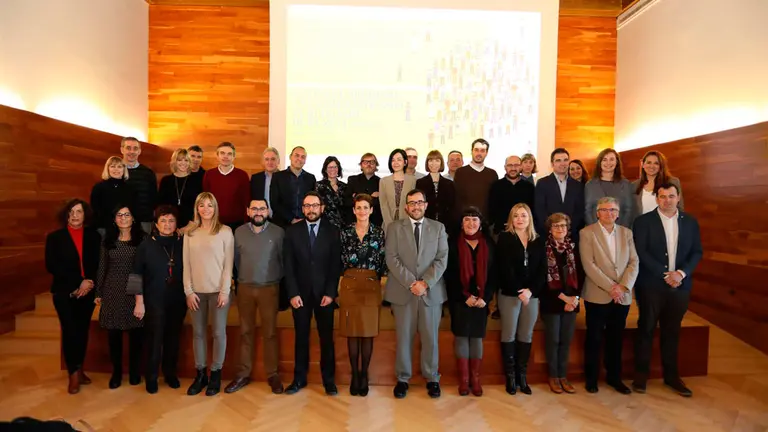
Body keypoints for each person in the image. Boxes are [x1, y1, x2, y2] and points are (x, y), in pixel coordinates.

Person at [632, 183, 702, 397]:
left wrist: (680, 274)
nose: (667, 200)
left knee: (672, 331)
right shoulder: (643, 222)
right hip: (651, 284)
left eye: (671, 196)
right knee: (646, 328)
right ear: (656, 199)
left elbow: (696, 252)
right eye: (662, 197)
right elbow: (640, 251)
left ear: (678, 197)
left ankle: (671, 377)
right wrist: (665, 274)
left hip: (680, 285)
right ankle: (640, 377)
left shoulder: (690, 222)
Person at [385, 189, 449, 399]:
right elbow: (391, 258)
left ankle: (432, 378)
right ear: (406, 206)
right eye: (412, 203)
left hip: (430, 293)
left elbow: (442, 259)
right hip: (404, 291)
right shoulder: (394, 228)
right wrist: (412, 282)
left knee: (431, 338)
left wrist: (425, 283)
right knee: (404, 337)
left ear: (426, 205)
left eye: (420, 202)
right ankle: (403, 378)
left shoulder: (438, 228)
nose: (416, 206)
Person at [283, 191, 342, 396]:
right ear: (303, 209)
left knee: (327, 339)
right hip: (300, 295)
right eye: (307, 206)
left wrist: (331, 293)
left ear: (322, 208)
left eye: (314, 205)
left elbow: (335, 266)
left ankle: (329, 381)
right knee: (301, 338)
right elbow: (288, 266)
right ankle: (299, 379)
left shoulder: (333, 231)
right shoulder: (292, 232)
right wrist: (292, 293)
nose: (311, 209)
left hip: (325, 296)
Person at [225, 199, 285, 395]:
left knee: (270, 333)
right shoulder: (239, 232)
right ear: (248, 211)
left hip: (270, 289)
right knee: (245, 332)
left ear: (268, 211)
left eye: (262, 208)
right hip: (245, 288)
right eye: (254, 209)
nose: (258, 212)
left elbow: (283, 261)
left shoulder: (278, 232)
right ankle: (243, 374)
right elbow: (234, 261)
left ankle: (273, 374)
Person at [580, 197, 639, 395]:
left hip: (622, 296)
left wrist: (623, 287)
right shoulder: (586, 233)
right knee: (594, 337)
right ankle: (591, 378)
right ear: (597, 213)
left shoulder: (627, 233)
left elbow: (634, 262)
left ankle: (614, 377)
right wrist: (611, 287)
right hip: (598, 295)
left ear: (619, 213)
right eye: (604, 210)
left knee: (616, 338)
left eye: (613, 210)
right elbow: (589, 265)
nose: (609, 213)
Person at [127, 206, 187, 394]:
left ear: (176, 224)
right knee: (154, 339)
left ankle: (170, 373)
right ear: (156, 224)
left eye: (171, 221)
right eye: (163, 221)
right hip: (154, 300)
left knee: (173, 339)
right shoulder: (146, 245)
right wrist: (139, 302)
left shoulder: (182, 243)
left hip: (177, 299)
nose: (167, 225)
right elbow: (136, 275)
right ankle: (151, 377)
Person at [45, 199, 101, 394]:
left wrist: (89, 282)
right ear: (66, 215)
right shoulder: (54, 238)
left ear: (85, 215)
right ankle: (73, 374)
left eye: (79, 212)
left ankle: (80, 368)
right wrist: (79, 281)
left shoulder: (94, 236)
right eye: (71, 212)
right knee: (70, 332)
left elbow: (98, 264)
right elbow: (52, 266)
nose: (75, 215)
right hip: (64, 292)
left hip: (87, 291)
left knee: (82, 331)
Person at [183, 192, 235, 397]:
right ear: (197, 208)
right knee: (198, 333)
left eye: (210, 205)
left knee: (218, 333)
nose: (206, 209)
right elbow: (186, 265)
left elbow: (228, 265)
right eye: (202, 205)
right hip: (196, 294)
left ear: (215, 208)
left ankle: (215, 374)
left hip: (217, 293)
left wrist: (225, 291)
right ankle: (200, 374)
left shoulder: (225, 232)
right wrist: (188, 291)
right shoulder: (190, 233)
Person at [339, 194, 387, 397]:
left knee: (367, 332)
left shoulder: (378, 232)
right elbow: (338, 259)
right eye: (358, 207)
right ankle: (354, 376)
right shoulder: (345, 232)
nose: (362, 211)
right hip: (349, 283)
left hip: (370, 284)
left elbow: (383, 260)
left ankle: (364, 374)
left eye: (365, 207)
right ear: (353, 210)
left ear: (371, 210)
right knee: (352, 332)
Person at [445, 207, 496, 397]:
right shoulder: (452, 244)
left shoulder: (489, 244)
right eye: (467, 220)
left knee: (476, 339)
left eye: (475, 220)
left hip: (482, 301)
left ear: (480, 223)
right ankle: (464, 380)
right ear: (461, 223)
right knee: (461, 337)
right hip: (460, 300)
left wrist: (486, 297)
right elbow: (449, 275)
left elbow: (494, 275)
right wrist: (464, 296)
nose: (471, 223)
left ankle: (476, 379)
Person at [495, 203, 546, 395]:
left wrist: (530, 291)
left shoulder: (538, 240)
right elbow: (504, 268)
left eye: (523, 215)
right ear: (511, 219)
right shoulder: (504, 238)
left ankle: (521, 376)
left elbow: (542, 269)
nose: (520, 219)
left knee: (526, 335)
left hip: (531, 296)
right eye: (516, 216)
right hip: (510, 294)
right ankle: (510, 377)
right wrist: (520, 290)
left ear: (529, 218)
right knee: (509, 334)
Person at [94, 205, 146, 389]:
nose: (123, 218)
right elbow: (102, 267)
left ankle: (134, 372)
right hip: (112, 289)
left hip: (135, 289)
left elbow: (142, 269)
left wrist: (140, 295)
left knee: (136, 334)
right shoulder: (107, 240)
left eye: (127, 214)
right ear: (114, 219)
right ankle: (116, 373)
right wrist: (99, 292)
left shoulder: (142, 240)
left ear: (134, 218)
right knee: (114, 334)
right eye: (119, 215)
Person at [540, 213, 582, 394]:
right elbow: (542, 279)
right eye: (556, 226)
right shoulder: (543, 249)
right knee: (553, 340)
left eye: (563, 226)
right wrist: (564, 298)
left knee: (566, 340)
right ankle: (554, 376)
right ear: (550, 229)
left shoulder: (574, 248)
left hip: (572, 302)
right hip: (552, 302)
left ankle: (564, 376)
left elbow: (582, 275)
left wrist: (575, 299)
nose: (560, 229)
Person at [534, 148, 585, 241]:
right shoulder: (542, 183)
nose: (562, 163)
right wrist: (553, 229)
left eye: (565, 160)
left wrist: (567, 229)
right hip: (548, 236)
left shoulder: (578, 186)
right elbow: (539, 210)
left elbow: (579, 211)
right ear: (552, 164)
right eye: (558, 160)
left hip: (571, 235)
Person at [202, 142, 250, 232]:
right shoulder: (209, 174)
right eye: (222, 153)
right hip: (215, 222)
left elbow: (246, 200)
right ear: (217, 156)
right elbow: (205, 199)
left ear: (234, 157)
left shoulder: (242, 175)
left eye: (229, 154)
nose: (225, 156)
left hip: (237, 223)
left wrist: (246, 222)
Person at [585, 148, 634, 228]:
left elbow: (628, 210)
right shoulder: (590, 185)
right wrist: (595, 230)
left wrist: (620, 230)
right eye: (604, 159)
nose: (608, 163)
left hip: (619, 231)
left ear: (617, 162)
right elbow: (587, 210)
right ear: (599, 162)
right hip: (595, 232)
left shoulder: (626, 184)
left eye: (611, 159)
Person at [453, 139, 498, 223]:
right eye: (476, 150)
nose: (479, 153)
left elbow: (494, 201)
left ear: (486, 153)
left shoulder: (492, 174)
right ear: (472, 151)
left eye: (482, 151)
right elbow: (457, 200)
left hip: (486, 223)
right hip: (465, 223)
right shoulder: (460, 172)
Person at [488, 155, 535, 236]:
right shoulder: (496, 186)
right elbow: (492, 210)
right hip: (501, 232)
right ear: (505, 167)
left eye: (516, 165)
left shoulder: (529, 187)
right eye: (510, 165)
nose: (513, 168)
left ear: (521, 167)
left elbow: (532, 210)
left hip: (523, 232)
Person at [158, 148, 203, 232]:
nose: (183, 163)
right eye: (179, 160)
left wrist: (191, 225)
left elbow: (200, 205)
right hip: (169, 226)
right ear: (174, 161)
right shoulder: (166, 181)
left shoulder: (196, 181)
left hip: (192, 226)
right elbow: (161, 206)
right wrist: (170, 224)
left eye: (186, 160)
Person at [270, 146, 317, 227]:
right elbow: (274, 202)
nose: (299, 159)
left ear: (305, 160)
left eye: (303, 157)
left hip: (305, 224)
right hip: (282, 224)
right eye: (296, 155)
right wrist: (291, 219)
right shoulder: (277, 177)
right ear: (290, 157)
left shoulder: (310, 178)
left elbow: (312, 202)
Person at [90, 156, 135, 237]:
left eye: (119, 166)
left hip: (124, 228)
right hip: (103, 228)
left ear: (124, 169)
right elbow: (95, 209)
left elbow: (133, 209)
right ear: (107, 169)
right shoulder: (98, 187)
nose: (116, 169)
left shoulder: (130, 188)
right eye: (112, 166)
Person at [121, 137, 157, 234]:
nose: (132, 151)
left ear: (139, 151)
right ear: (122, 150)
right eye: (128, 148)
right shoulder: (115, 171)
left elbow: (154, 198)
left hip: (144, 222)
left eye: (135, 148)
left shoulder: (148, 173)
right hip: (120, 221)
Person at [631, 150, 684, 215]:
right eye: (649, 162)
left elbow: (680, 207)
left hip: (666, 223)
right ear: (643, 165)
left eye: (656, 163)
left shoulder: (673, 182)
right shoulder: (634, 185)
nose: (652, 166)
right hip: (642, 224)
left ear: (661, 166)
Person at [379, 148, 416, 231]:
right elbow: (383, 205)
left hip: (407, 224)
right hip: (388, 224)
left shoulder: (412, 180)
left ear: (405, 162)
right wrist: (390, 224)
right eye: (393, 160)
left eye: (399, 160)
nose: (396, 163)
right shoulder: (383, 181)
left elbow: (412, 203)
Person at [415, 150, 456, 226]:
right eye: (430, 160)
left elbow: (452, 207)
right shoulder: (420, 183)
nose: (434, 164)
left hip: (445, 224)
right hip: (426, 224)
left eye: (437, 160)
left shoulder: (449, 183)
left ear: (441, 163)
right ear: (427, 163)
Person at [344, 153, 383, 226]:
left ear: (376, 165)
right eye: (365, 162)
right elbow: (347, 202)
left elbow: (381, 204)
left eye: (372, 162)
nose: (369, 165)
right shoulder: (353, 180)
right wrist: (371, 197)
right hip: (354, 223)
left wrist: (357, 197)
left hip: (375, 224)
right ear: (361, 165)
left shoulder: (381, 182)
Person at [315, 156, 348, 230]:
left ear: (338, 169)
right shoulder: (318, 186)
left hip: (343, 226)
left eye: (335, 167)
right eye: (330, 167)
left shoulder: (345, 187)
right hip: (325, 226)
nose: (332, 169)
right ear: (325, 170)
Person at [250, 147, 281, 214]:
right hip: (260, 218)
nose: (270, 162)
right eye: (267, 159)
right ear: (263, 162)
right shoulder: (255, 179)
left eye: (273, 159)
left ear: (278, 161)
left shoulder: (285, 178)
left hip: (280, 220)